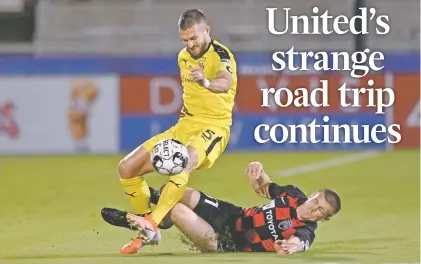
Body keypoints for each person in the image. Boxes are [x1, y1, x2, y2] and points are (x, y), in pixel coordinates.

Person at [116, 9, 237, 254]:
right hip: (184, 126)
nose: (190, 44)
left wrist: (205, 81)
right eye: (185, 39)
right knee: (127, 168)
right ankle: (148, 224)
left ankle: (152, 223)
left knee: (183, 163)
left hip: (213, 128)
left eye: (194, 38)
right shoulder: (183, 56)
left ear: (207, 30)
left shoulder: (222, 55)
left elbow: (224, 83)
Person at [102, 162, 341, 254]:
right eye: (316, 203)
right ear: (311, 196)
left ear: (325, 219)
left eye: (322, 212)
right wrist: (258, 170)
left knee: (177, 210)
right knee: (181, 192)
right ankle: (155, 223)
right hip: (232, 214)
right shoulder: (293, 194)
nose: (315, 210)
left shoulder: (305, 231)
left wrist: (290, 247)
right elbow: (264, 188)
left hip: (229, 242)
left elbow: (299, 245)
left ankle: (153, 222)